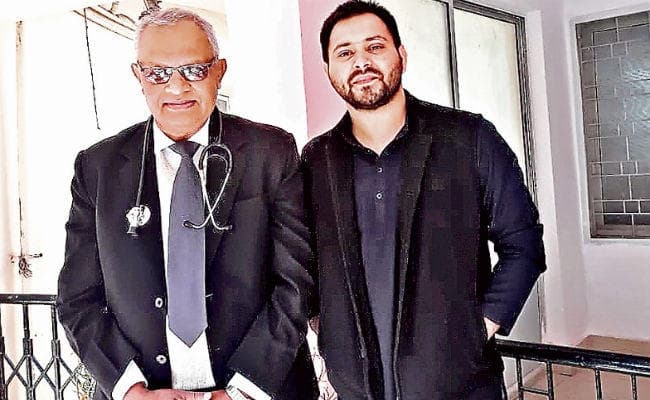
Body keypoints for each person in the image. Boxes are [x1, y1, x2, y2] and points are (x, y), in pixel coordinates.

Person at [57, 7, 317, 400]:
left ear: (219, 71)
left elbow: (296, 283)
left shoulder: (271, 153)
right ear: (138, 76)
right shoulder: (98, 168)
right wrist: (132, 390)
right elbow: (78, 298)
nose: (176, 88)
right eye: (158, 73)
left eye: (194, 70)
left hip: (260, 390)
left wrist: (243, 391)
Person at [302, 1, 547, 399]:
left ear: (401, 55)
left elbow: (524, 243)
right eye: (344, 53)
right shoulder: (316, 159)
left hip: (461, 385)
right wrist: (323, 326)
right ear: (328, 69)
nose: (361, 62)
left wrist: (478, 329)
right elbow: (301, 259)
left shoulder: (469, 138)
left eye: (375, 46)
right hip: (358, 389)